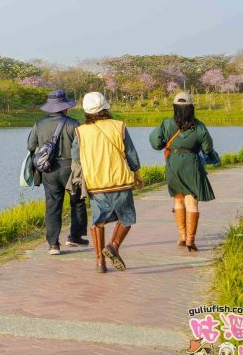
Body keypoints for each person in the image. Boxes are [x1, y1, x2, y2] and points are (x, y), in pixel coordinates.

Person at [69, 92, 142, 273]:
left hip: (96, 183)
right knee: (126, 218)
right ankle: (114, 246)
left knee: (98, 221)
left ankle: (100, 262)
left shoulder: (80, 132)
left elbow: (75, 157)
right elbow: (131, 153)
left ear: (87, 111)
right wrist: (137, 173)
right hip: (120, 180)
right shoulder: (119, 126)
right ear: (105, 108)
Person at [150, 92, 216, 251]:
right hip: (192, 164)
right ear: (191, 108)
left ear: (175, 108)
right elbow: (208, 148)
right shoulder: (199, 126)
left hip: (173, 164)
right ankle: (190, 240)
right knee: (191, 201)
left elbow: (155, 142)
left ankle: (182, 235)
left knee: (178, 200)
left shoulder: (166, 123)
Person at [27, 90, 87, 255]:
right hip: (71, 168)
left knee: (52, 205)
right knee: (77, 202)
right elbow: (82, 148)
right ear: (65, 108)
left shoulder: (39, 124)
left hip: (49, 170)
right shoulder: (74, 124)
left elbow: (31, 146)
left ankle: (53, 244)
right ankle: (74, 236)